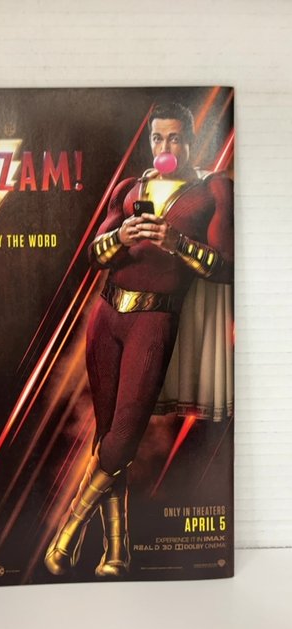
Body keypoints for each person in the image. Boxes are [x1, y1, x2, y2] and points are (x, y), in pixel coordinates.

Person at [45, 102, 234, 578]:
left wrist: (176, 243)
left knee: (123, 439)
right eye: (157, 138)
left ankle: (68, 532)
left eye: (175, 138)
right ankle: (117, 551)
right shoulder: (129, 188)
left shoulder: (212, 189)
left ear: (191, 141)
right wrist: (122, 237)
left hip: (155, 319)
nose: (165, 148)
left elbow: (226, 267)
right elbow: (95, 254)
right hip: (106, 316)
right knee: (108, 437)